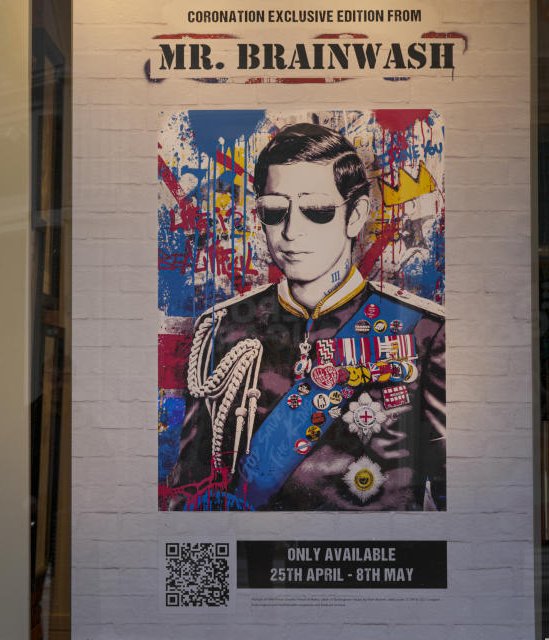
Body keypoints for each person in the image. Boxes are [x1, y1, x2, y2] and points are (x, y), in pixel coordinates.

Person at [162, 123, 445, 511]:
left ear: (356, 215)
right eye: (275, 211)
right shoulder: (224, 327)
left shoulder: (425, 333)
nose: (291, 232)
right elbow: (189, 488)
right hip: (257, 559)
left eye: (317, 211)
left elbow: (459, 496)